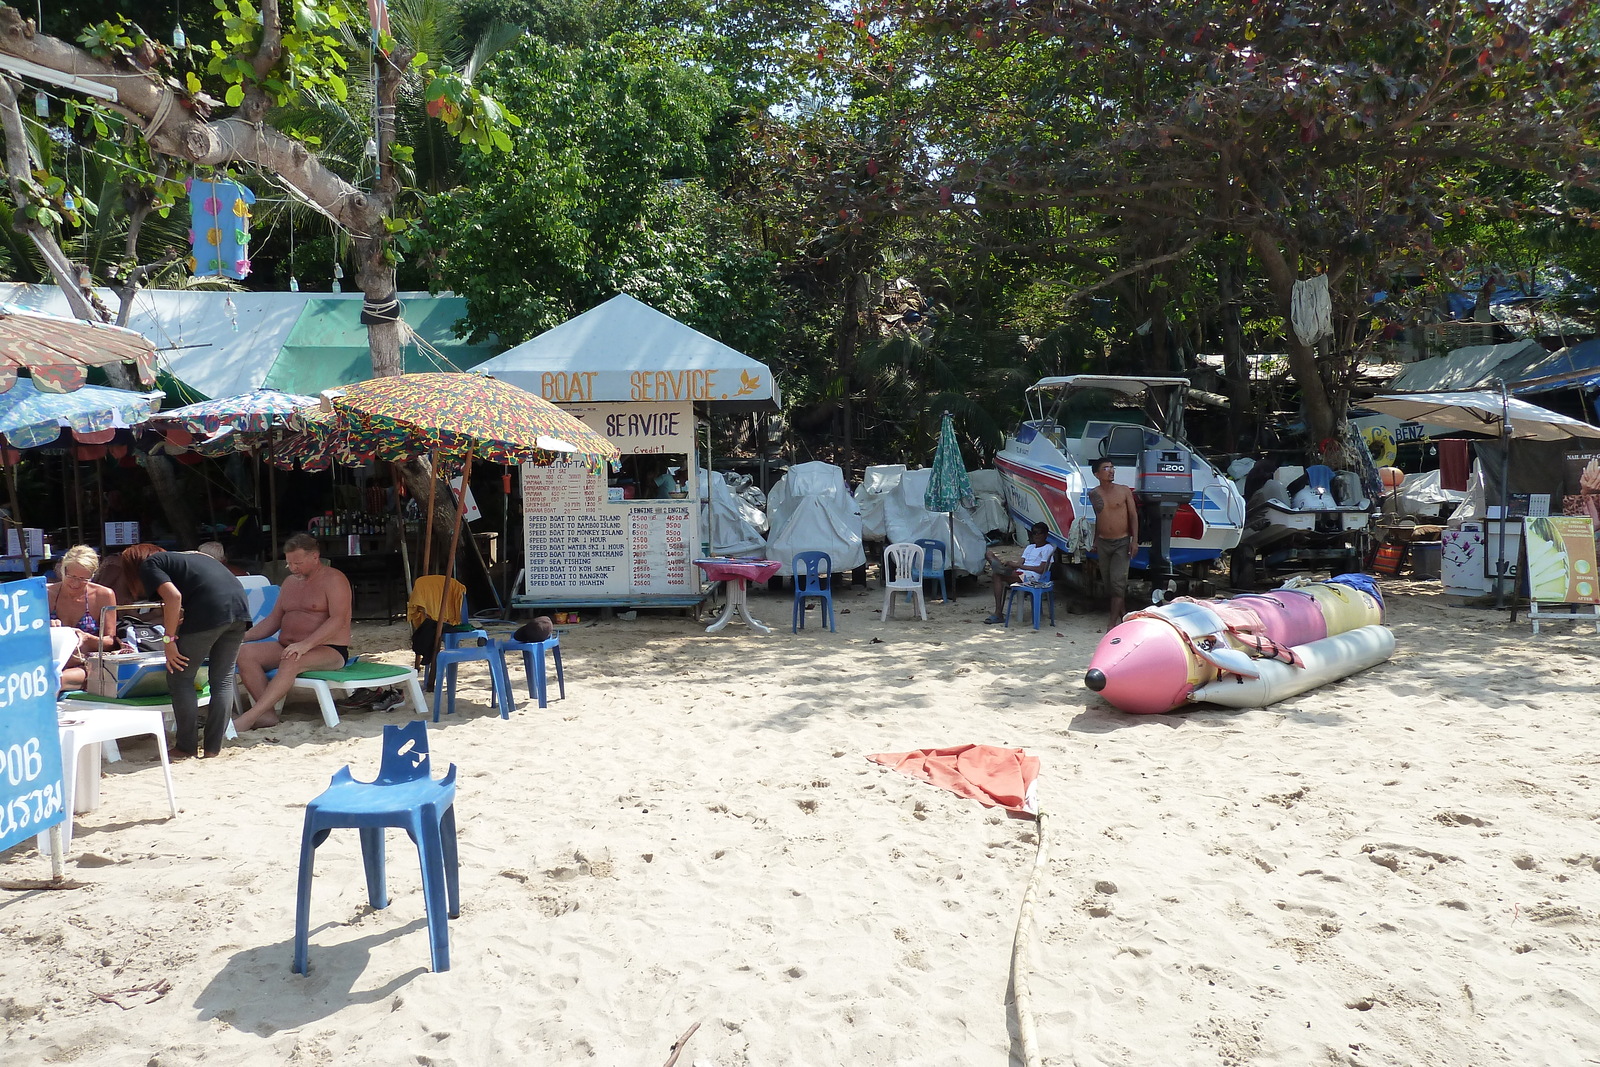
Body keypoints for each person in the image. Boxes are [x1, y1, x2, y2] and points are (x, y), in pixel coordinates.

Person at [121, 543, 250, 759]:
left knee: (180, 677)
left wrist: (168, 640)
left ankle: (186, 747)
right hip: (240, 609)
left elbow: (173, 597)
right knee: (223, 680)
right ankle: (212, 748)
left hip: (211, 611)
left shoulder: (150, 564)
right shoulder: (192, 558)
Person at [233, 532, 353, 732]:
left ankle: (251, 716)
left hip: (328, 648)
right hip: (287, 644)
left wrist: (306, 645)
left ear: (315, 557)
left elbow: (338, 620)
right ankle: (267, 714)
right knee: (245, 653)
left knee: (292, 658)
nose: (292, 568)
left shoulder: (334, 579)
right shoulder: (289, 582)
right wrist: (243, 637)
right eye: (289, 563)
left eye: (297, 563)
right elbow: (273, 620)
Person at [47, 545, 119, 692]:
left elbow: (110, 642)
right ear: (63, 570)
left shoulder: (103, 595)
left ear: (92, 575)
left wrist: (86, 638)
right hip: (51, 660)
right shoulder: (46, 594)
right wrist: (45, 628)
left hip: (85, 663)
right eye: (71, 577)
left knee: (54, 680)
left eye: (82, 579)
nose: (75, 584)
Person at [1088, 457, 1139, 630]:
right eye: (1106, 468)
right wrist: (1095, 540)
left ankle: (1112, 624)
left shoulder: (1124, 491)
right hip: (1103, 543)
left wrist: (1135, 541)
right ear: (1097, 474)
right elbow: (1099, 517)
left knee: (1118, 584)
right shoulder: (1093, 494)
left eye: (1112, 467)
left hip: (1122, 543)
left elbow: (1133, 516)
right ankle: (1124, 616)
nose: (1111, 471)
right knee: (1110, 585)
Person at [985, 522, 1057, 624]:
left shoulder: (1047, 548)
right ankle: (1000, 567)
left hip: (1031, 577)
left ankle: (998, 613)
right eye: (1034, 533)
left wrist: (1019, 566)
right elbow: (1020, 563)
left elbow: (1041, 569)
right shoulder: (1030, 547)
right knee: (993, 563)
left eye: (1039, 533)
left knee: (997, 575)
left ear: (1046, 535)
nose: (1036, 535)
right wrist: (1011, 564)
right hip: (1021, 572)